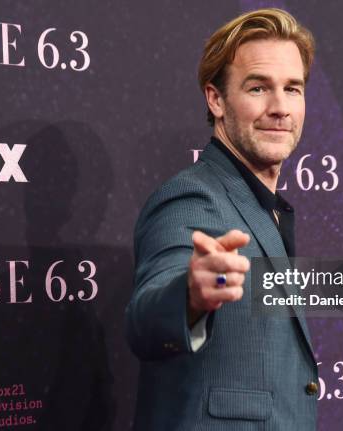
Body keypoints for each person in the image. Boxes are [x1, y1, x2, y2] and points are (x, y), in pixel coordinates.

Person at [125, 8, 318, 430]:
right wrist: (191, 294)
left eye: (293, 88)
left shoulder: (265, 206)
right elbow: (145, 316)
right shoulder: (192, 197)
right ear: (216, 99)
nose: (280, 108)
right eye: (257, 88)